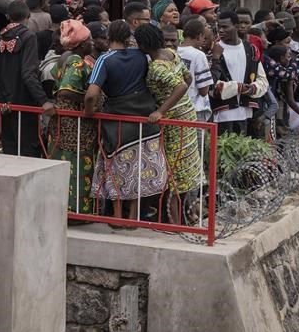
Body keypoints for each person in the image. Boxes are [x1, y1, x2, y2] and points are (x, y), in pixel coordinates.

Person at [85, 20, 167, 220]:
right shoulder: (142, 57)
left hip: (117, 122)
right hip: (145, 121)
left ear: (109, 37)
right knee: (139, 170)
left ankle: (118, 216)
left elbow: (91, 94)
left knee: (116, 168)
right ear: (128, 37)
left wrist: (88, 112)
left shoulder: (104, 59)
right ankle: (133, 217)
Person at [135, 24, 203, 221]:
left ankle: (174, 221)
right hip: (187, 113)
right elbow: (187, 78)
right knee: (186, 166)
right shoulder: (172, 54)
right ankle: (189, 214)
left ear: (143, 45)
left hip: (174, 119)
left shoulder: (156, 66)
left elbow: (181, 85)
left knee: (174, 170)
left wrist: (161, 109)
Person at [0, 0, 54, 157]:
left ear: (8, 16)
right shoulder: (29, 37)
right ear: (28, 16)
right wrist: (44, 100)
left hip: (6, 108)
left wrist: (2, 100)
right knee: (28, 154)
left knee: (10, 152)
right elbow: (29, 74)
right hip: (26, 106)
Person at [47, 20, 98, 214]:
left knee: (62, 165)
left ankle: (59, 209)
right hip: (74, 124)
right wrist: (88, 99)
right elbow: (66, 91)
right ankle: (77, 212)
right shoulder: (76, 61)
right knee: (76, 167)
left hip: (62, 121)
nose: (92, 43)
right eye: (89, 39)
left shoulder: (64, 57)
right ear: (82, 43)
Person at [210, 11, 268, 135]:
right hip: (221, 115)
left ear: (236, 26)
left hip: (247, 114)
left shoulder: (251, 49)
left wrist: (253, 88)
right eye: (218, 27)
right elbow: (209, 84)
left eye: (225, 27)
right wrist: (238, 87)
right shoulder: (213, 50)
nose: (220, 30)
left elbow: (263, 80)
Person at [178, 18, 214, 121]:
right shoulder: (199, 55)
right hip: (194, 108)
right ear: (199, 36)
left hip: (176, 107)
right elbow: (203, 90)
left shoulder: (174, 51)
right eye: (204, 37)